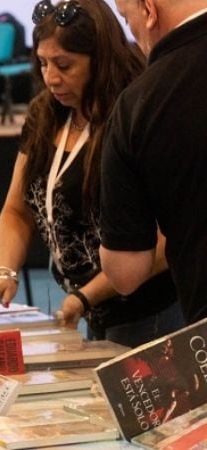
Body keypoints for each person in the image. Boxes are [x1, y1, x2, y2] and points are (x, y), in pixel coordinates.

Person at [0, 0, 184, 348]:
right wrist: (4, 272)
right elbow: (17, 210)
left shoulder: (133, 113)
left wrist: (86, 296)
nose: (51, 77)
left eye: (64, 65)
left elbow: (165, 240)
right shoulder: (46, 113)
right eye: (42, 63)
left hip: (149, 313)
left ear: (100, 61)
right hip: (92, 309)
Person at [99, 0, 207, 325]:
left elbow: (125, 272)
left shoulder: (138, 105)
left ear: (149, 11)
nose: (131, 32)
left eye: (126, 18)